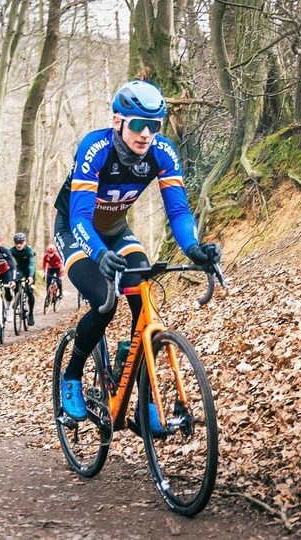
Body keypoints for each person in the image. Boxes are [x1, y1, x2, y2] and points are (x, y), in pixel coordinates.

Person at [52, 80, 221, 425]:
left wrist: (192, 248)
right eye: (138, 124)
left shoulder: (162, 153)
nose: (146, 134)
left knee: (145, 303)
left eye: (154, 126)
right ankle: (71, 376)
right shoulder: (94, 148)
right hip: (75, 231)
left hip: (116, 231)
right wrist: (98, 255)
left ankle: (141, 391)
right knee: (105, 300)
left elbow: (178, 211)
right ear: (118, 121)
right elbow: (81, 216)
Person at [9, 232, 37, 326]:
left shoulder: (29, 250)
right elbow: (7, 259)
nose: (19, 245)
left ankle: (31, 314)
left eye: (21, 242)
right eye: (17, 243)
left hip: (29, 270)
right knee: (15, 281)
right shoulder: (12, 250)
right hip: (20, 269)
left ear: (24, 242)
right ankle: (17, 299)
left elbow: (32, 265)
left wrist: (30, 276)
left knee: (29, 291)